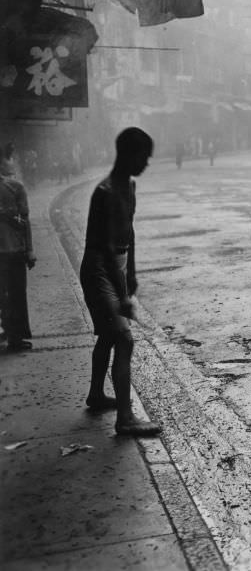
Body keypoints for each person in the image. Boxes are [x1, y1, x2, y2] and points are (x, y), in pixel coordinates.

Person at [80, 127, 161, 436]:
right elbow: (109, 247)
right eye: (144, 156)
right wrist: (123, 293)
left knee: (108, 334)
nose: (146, 163)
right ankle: (125, 418)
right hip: (99, 269)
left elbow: (129, 233)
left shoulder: (129, 186)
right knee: (123, 338)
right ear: (129, 154)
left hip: (117, 266)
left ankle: (96, 394)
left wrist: (132, 273)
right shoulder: (106, 191)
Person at [0, 152, 36, 350]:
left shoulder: (14, 187)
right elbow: (25, 222)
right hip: (13, 250)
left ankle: (8, 331)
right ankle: (14, 337)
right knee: (15, 295)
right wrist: (29, 250)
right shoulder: (15, 187)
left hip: (11, 249)